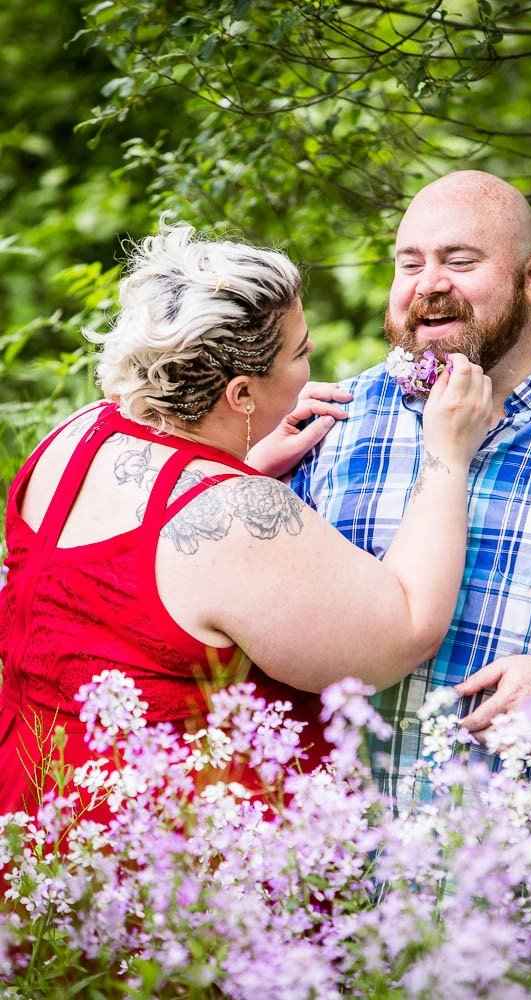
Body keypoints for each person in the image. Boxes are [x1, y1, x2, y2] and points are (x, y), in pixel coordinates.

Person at [0, 223, 492, 818]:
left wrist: (244, 456)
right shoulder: (235, 514)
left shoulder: (77, 434)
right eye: (300, 352)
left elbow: (138, 573)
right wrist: (447, 451)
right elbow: (406, 630)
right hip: (168, 877)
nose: (311, 364)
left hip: (36, 822)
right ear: (239, 393)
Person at [292, 170, 531, 799]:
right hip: (340, 878)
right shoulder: (332, 421)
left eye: (460, 260)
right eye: (409, 263)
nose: (429, 284)